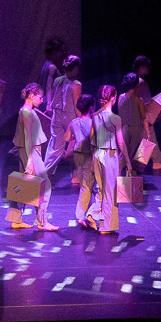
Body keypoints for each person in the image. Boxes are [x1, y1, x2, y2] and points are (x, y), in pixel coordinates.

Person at [7, 83, 58, 231]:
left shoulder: (28, 111)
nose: (42, 100)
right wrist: (30, 160)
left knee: (23, 185)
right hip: (31, 151)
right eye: (40, 97)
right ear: (31, 96)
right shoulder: (27, 113)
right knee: (45, 185)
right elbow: (28, 138)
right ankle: (42, 221)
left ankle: (15, 219)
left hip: (29, 150)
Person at [87, 84, 131, 234]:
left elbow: (92, 139)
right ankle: (105, 226)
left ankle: (93, 213)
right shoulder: (115, 118)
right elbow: (121, 142)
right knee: (110, 191)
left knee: (100, 189)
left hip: (97, 154)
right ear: (113, 98)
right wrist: (128, 161)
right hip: (110, 155)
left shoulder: (95, 116)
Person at [63, 94, 97, 226]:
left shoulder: (74, 122)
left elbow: (67, 138)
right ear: (91, 108)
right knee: (87, 186)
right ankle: (81, 215)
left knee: (85, 184)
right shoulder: (92, 123)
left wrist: (76, 136)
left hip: (77, 155)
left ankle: (88, 212)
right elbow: (94, 142)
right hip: (88, 155)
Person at [132, 55, 161, 170]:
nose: (149, 68)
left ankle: (156, 161)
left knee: (150, 136)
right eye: (148, 66)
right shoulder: (141, 82)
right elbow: (144, 101)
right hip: (142, 114)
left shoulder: (133, 80)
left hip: (136, 114)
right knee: (147, 137)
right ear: (142, 67)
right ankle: (137, 165)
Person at [44, 54, 82, 171]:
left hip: (57, 116)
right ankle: (76, 176)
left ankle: (45, 174)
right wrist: (82, 120)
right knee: (76, 147)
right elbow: (77, 105)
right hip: (70, 117)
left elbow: (54, 98)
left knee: (55, 147)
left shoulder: (57, 80)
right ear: (75, 68)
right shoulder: (76, 84)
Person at [39, 38, 67, 117]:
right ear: (55, 52)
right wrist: (49, 104)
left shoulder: (46, 64)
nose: (63, 54)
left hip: (44, 101)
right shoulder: (52, 67)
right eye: (61, 51)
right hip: (48, 101)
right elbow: (48, 87)